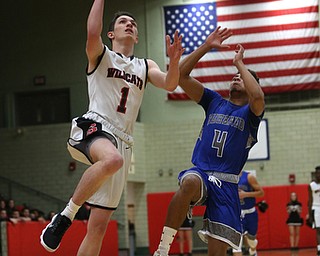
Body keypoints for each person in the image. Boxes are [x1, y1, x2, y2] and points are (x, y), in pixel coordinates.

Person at [40, 0, 184, 254]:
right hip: (95, 125)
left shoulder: (145, 66)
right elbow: (92, 32)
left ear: (137, 36)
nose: (129, 24)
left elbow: (170, 84)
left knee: (98, 227)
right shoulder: (101, 54)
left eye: (133, 23)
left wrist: (174, 61)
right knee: (112, 159)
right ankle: (65, 216)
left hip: (124, 140)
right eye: (123, 22)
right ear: (111, 33)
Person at [153, 26, 265, 256]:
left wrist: (240, 64)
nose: (236, 77)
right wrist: (205, 46)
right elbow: (181, 76)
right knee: (190, 182)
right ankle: (163, 249)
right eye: (235, 76)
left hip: (227, 184)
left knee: (216, 253)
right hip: (203, 172)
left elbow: (258, 96)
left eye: (242, 78)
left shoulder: (252, 114)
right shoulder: (214, 101)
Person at [233, 171, 264, 256]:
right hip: (236, 214)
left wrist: (245, 194)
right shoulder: (228, 178)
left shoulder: (249, 177)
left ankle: (253, 250)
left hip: (250, 213)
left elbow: (261, 193)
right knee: (236, 244)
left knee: (251, 240)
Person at [307, 166, 320, 256]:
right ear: (315, 174)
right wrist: (310, 215)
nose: (318, 175)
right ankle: (319, 249)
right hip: (316, 208)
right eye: (317, 173)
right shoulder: (311, 185)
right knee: (318, 230)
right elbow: (310, 200)